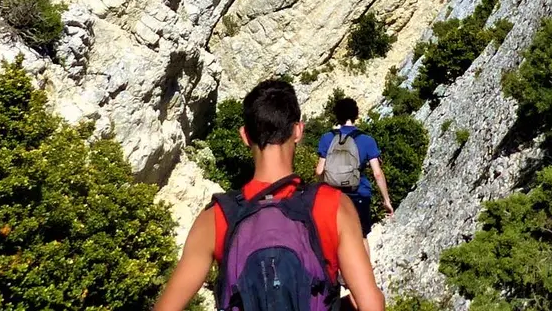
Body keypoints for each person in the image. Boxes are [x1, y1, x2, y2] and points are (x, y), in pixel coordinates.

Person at [152, 80, 385, 311]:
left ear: (244, 136)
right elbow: (371, 304)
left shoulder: (216, 217)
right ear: (298, 131)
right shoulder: (334, 205)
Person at [314, 97, 394, 236]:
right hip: (359, 194)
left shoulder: (327, 138)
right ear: (356, 115)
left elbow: (319, 170)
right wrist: (386, 200)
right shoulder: (367, 140)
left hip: (334, 197)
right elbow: (377, 174)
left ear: (337, 115)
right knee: (361, 238)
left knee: (335, 238)